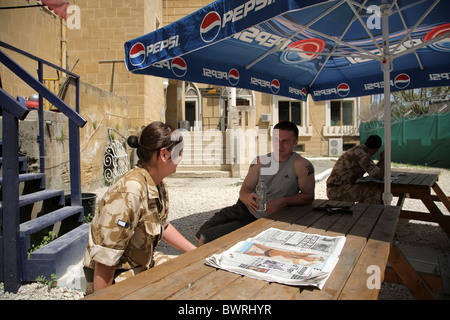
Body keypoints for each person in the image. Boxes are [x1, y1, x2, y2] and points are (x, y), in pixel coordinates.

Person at [83, 121, 196, 293]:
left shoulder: (157, 184)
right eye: (179, 153)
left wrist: (196, 252)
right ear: (164, 155)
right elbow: (106, 260)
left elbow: (162, 225)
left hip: (140, 263)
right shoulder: (131, 191)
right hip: (116, 275)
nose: (181, 158)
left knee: (193, 270)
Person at [196, 121, 315, 245]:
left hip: (263, 218)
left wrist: (284, 201)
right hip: (244, 208)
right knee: (201, 233)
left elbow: (308, 196)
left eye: (285, 141)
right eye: (276, 140)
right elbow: (244, 190)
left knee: (206, 239)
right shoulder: (259, 161)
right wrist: (247, 197)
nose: (279, 145)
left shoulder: (302, 165)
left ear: (295, 142)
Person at [326, 134, 385, 204]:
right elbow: (379, 175)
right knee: (373, 191)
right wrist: (383, 158)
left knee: (367, 188)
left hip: (338, 188)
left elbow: (375, 171)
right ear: (376, 149)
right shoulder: (361, 155)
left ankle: (363, 212)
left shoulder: (359, 151)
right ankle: (371, 214)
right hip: (338, 190)